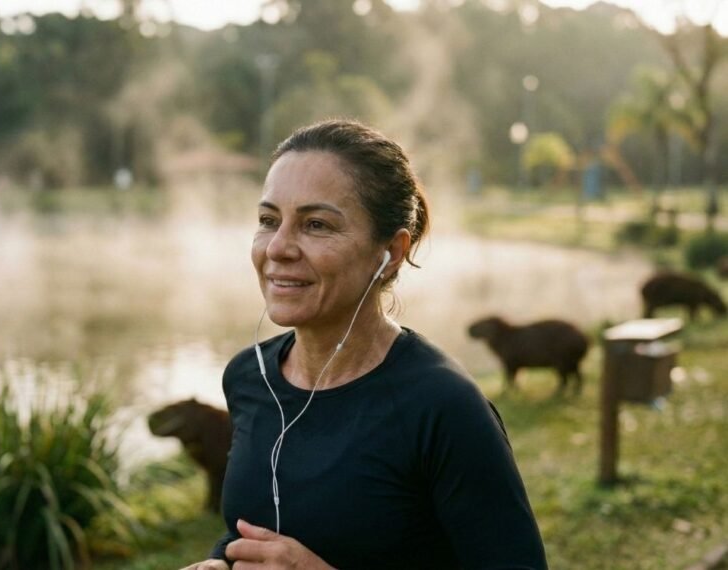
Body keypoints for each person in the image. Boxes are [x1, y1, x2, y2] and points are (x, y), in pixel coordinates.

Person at [184, 120, 547, 569]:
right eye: (268, 220)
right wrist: (220, 561)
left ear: (391, 252)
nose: (278, 247)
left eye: (315, 224)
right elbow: (252, 528)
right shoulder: (247, 376)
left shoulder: (443, 408)